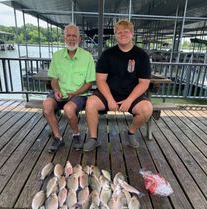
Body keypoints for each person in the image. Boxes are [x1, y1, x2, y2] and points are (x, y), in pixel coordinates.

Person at [83, 20, 153, 152]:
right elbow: (101, 80)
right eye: (119, 32)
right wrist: (109, 99)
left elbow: (144, 83)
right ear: (115, 35)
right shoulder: (107, 54)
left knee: (147, 108)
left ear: (132, 34)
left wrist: (129, 100)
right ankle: (93, 138)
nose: (122, 34)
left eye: (126, 31)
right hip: (108, 93)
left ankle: (131, 133)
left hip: (131, 96)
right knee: (91, 103)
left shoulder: (141, 56)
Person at [43, 23, 95, 153]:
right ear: (64, 38)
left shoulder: (87, 57)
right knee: (46, 105)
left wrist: (75, 93)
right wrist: (56, 91)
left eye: (74, 36)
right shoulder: (57, 56)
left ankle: (76, 135)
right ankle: (58, 137)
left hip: (78, 95)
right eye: (69, 36)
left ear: (79, 39)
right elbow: (54, 80)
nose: (72, 39)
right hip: (59, 94)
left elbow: (89, 83)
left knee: (68, 108)